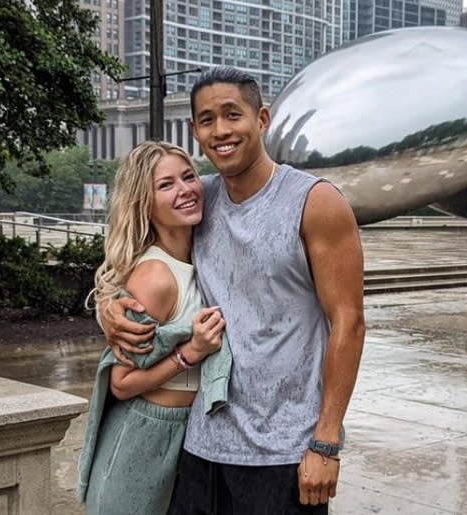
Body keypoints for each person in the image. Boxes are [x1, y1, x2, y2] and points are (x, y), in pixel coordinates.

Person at [100, 67, 365, 514]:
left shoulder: (315, 202)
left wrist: (326, 442)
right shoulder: (197, 199)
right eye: (207, 120)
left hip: (284, 454)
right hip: (200, 448)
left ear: (261, 119)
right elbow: (133, 249)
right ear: (195, 131)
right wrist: (109, 305)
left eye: (232, 115)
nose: (221, 130)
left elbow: (349, 322)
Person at [77, 141, 227, 514]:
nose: (185, 190)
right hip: (143, 436)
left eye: (189, 177)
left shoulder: (201, 257)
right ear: (144, 202)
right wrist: (188, 354)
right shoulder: (156, 276)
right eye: (166, 185)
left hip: (189, 436)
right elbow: (121, 383)